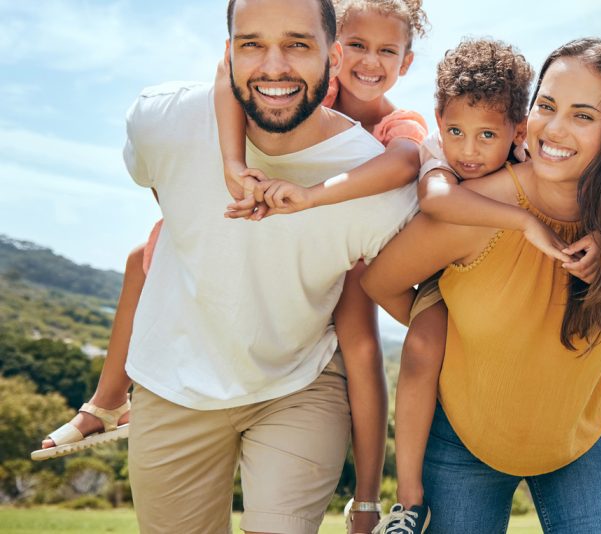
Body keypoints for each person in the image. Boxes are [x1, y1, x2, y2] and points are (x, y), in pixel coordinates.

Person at [363, 37, 601, 533]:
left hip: (586, 437)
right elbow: (381, 281)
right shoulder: (474, 210)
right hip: (464, 440)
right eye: (547, 106)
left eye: (583, 115)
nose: (554, 128)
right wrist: (446, 325)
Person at [123, 0, 417, 531]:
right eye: (251, 44)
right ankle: (102, 404)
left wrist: (370, 497)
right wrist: (229, 170)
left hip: (298, 385)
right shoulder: (160, 122)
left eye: (297, 45)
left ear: (331, 56)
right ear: (229, 52)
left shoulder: (378, 184)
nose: (275, 66)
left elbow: (380, 329)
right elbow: (168, 202)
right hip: (175, 382)